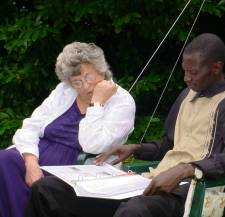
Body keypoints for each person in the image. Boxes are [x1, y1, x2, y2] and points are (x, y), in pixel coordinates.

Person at [24, 33, 225, 217]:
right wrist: (135, 148)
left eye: (193, 73)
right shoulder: (186, 95)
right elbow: (169, 144)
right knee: (48, 190)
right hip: (151, 184)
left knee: (135, 211)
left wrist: (186, 169)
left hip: (190, 192)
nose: (187, 78)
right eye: (185, 72)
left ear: (216, 68)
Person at [0, 42, 136, 217]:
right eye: (76, 82)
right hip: (39, 154)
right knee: (3, 160)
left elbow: (93, 145)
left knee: (44, 187)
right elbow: (31, 126)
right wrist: (31, 163)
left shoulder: (122, 102)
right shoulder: (64, 90)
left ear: (100, 69)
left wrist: (97, 103)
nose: (85, 86)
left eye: (88, 77)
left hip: (76, 165)